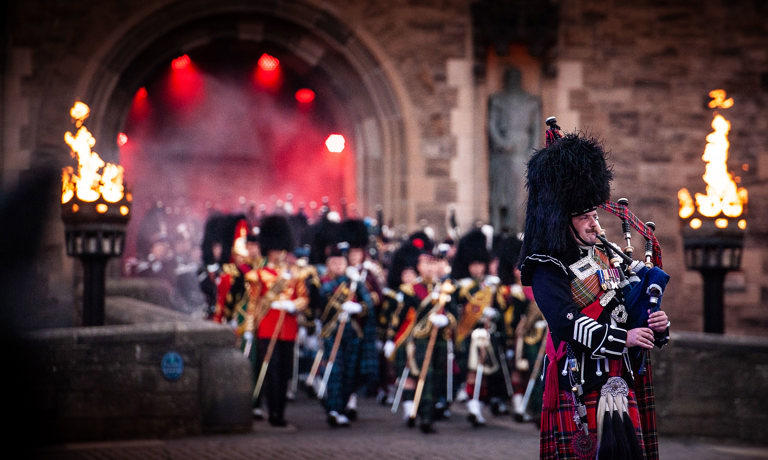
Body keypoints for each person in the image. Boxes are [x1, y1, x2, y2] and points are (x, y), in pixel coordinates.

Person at [519, 131, 670, 459]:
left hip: (621, 377)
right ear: (562, 220)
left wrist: (656, 323)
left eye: (595, 215)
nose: (595, 225)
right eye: (585, 218)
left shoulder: (608, 253)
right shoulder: (546, 266)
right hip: (580, 381)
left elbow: (633, 302)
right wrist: (623, 339)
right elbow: (565, 323)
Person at [244, 214, 309, 427]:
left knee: (285, 372)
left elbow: (304, 299)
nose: (278, 254)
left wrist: (292, 305)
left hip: (288, 328)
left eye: (280, 250)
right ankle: (273, 412)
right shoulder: (258, 275)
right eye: (274, 251)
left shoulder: (294, 274)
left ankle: (280, 410)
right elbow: (253, 304)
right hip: (267, 328)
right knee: (271, 371)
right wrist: (249, 327)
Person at [452, 228, 507, 426]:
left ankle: (479, 405)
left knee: (486, 372)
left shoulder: (492, 285)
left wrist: (494, 313)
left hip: (488, 334)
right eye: (473, 265)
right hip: (468, 334)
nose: (477, 269)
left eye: (479, 264)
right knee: (472, 370)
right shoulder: (462, 286)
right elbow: (456, 309)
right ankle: (473, 406)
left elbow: (501, 311)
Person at [315, 240, 374, 427]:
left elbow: (369, 304)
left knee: (350, 372)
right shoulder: (325, 283)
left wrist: (357, 307)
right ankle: (333, 408)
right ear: (328, 265)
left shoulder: (355, 282)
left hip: (353, 333)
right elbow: (321, 301)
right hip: (332, 332)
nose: (338, 266)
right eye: (334, 263)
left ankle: (341, 408)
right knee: (335, 371)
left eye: (341, 263)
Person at [487, 66, 541, 234]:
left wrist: (532, 152)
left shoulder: (531, 101)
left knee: (521, 193)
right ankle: (501, 227)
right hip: (503, 153)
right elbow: (492, 125)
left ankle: (518, 228)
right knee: (501, 194)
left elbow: (537, 130)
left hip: (522, 151)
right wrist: (502, 143)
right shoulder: (498, 100)